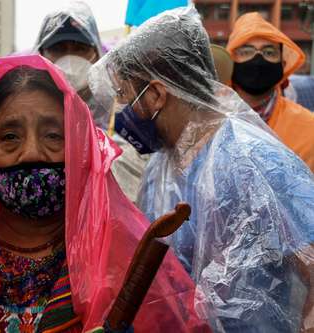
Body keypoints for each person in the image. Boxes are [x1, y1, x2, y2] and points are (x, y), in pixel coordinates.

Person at [0, 55, 209, 332]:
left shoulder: (120, 250)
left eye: (53, 136)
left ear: (81, 148)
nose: (32, 153)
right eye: (9, 137)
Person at [88, 6, 314, 333]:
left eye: (124, 95)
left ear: (155, 95)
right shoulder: (159, 168)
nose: (122, 111)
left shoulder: (254, 159)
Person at [35, 1, 148, 201]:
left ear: (96, 54)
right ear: (42, 55)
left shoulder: (125, 114)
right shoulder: (25, 113)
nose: (69, 58)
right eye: (59, 48)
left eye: (79, 48)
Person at [227, 12, 314, 171]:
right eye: (246, 51)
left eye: (269, 52)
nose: (258, 60)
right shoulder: (207, 118)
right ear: (231, 61)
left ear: (283, 64)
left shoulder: (310, 129)